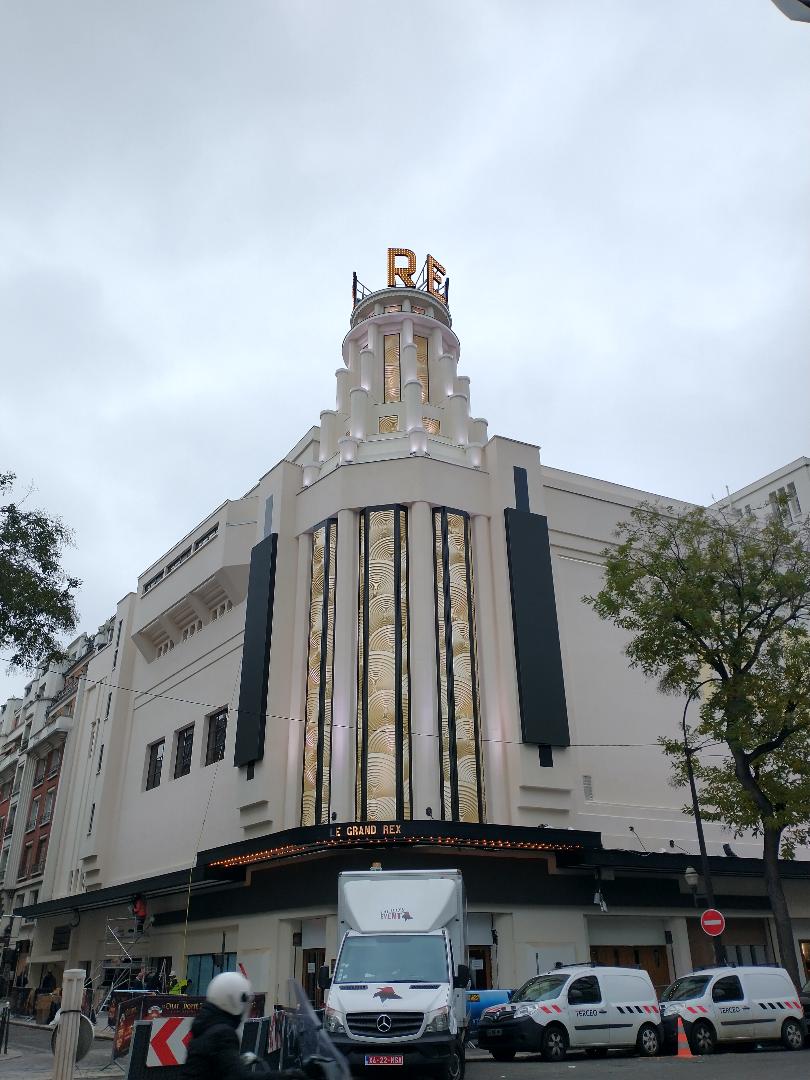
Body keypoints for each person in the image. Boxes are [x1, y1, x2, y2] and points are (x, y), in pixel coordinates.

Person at [180, 972, 269, 1080]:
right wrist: (285, 1075)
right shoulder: (223, 1034)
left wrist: (236, 1062)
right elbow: (240, 1077)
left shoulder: (206, 1026)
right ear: (234, 1000)